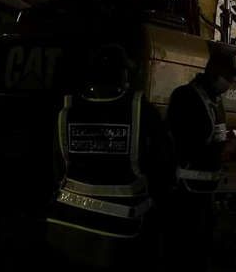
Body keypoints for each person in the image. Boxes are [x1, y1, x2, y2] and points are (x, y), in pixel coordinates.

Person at [46, 44, 163, 269]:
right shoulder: (140, 110)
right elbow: (160, 167)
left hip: (63, 226)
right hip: (116, 233)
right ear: (123, 73)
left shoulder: (68, 109)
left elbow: (57, 168)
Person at [164, 48, 236, 271]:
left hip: (205, 193)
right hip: (184, 195)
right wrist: (224, 149)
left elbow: (213, 137)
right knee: (186, 255)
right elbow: (188, 147)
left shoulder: (215, 102)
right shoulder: (186, 97)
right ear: (214, 72)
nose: (230, 84)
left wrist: (229, 141)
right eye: (228, 77)